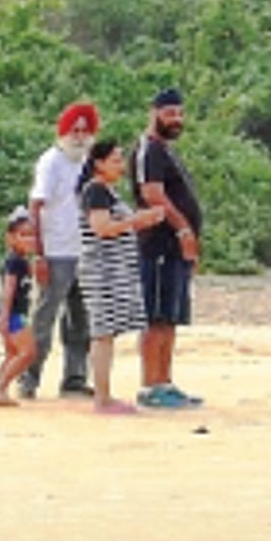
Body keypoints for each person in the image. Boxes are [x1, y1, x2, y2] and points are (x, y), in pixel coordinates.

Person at [76, 141, 166, 413]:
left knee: (107, 332)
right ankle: (102, 398)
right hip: (102, 271)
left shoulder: (105, 192)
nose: (120, 165)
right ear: (99, 163)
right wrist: (137, 221)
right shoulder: (96, 191)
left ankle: (104, 395)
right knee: (103, 332)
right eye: (115, 160)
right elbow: (102, 227)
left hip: (110, 270)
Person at [129, 88, 204, 409]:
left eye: (179, 114)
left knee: (171, 317)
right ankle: (150, 385)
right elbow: (153, 194)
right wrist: (183, 228)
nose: (176, 120)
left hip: (175, 249)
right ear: (154, 113)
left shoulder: (167, 150)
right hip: (157, 244)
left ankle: (166, 380)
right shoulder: (149, 150)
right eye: (169, 113)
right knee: (155, 316)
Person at [19, 102, 100, 399]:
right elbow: (36, 206)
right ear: (63, 132)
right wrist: (38, 254)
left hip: (85, 250)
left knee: (81, 319)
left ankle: (75, 379)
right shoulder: (51, 162)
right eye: (74, 130)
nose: (79, 136)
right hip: (56, 251)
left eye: (84, 130)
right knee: (44, 318)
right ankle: (29, 378)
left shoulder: (89, 163)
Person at [0, 207, 38, 407]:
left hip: (13, 313)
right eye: (23, 235)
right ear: (11, 237)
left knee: (12, 354)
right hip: (13, 314)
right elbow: (8, 290)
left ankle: (1, 389)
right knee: (27, 353)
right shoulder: (15, 262)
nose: (29, 240)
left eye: (31, 235)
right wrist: (5, 315)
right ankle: (0, 388)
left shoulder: (21, 261)